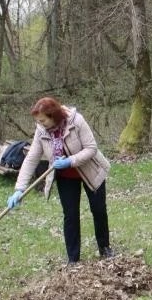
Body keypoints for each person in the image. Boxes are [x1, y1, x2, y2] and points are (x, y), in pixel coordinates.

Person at [7, 97, 113, 264]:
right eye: (38, 121)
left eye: (43, 120)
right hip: (66, 177)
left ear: (53, 115)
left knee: (98, 210)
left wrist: (70, 161)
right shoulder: (42, 130)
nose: (40, 124)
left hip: (91, 170)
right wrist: (19, 189)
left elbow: (91, 148)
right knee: (70, 215)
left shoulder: (76, 121)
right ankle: (73, 258)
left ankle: (104, 248)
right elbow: (31, 158)